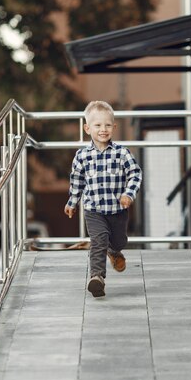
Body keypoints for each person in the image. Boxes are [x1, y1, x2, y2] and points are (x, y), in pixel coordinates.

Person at [64, 101, 142, 298]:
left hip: (118, 210)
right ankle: (97, 278)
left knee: (119, 241)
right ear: (87, 128)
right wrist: (72, 202)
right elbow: (77, 181)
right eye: (98, 125)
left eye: (107, 125)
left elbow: (135, 174)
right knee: (98, 240)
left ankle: (114, 250)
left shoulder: (121, 153)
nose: (103, 129)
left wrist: (128, 194)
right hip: (93, 210)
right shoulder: (82, 156)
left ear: (114, 127)